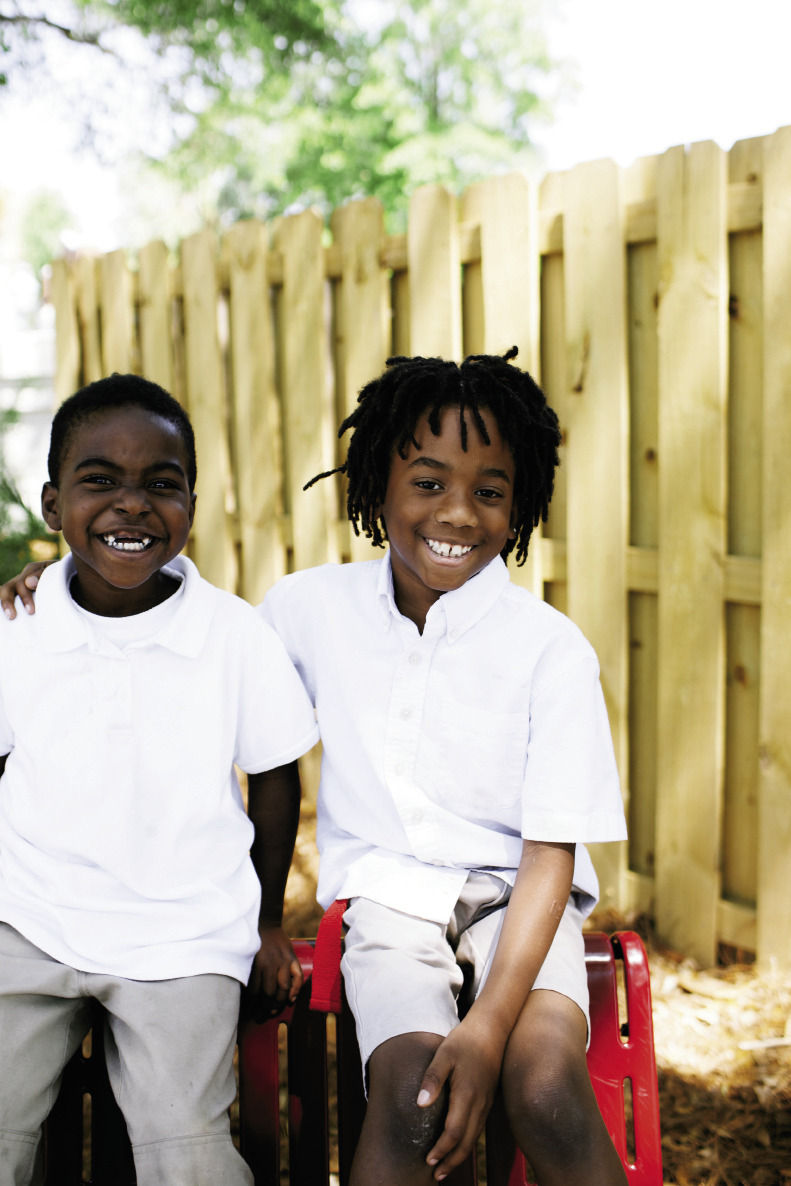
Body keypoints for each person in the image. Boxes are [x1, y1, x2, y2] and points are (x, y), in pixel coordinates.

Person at [6, 350, 629, 1186]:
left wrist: (484, 1031)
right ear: (375, 487)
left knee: (544, 1088)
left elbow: (551, 851)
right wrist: (56, 589)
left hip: (521, 904)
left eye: (489, 492)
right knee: (412, 1099)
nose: (457, 513)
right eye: (428, 482)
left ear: (520, 508)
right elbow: (160, 628)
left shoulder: (549, 650)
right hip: (387, 907)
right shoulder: (304, 611)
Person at [0, 374, 319, 1186]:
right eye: (99, 480)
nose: (131, 505)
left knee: (187, 1150)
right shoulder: (18, 627)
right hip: (28, 920)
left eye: (160, 485)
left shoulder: (235, 636)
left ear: (192, 505)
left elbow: (275, 779)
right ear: (51, 504)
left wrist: (268, 919)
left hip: (181, 936)